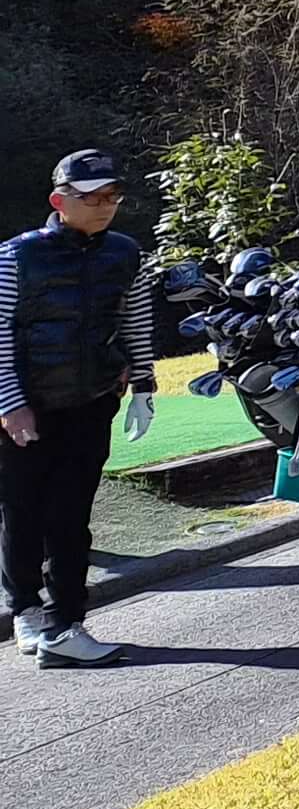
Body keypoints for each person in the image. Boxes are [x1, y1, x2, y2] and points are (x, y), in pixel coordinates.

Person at [0, 152, 154, 667]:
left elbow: (134, 319)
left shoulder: (125, 252)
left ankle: (65, 624)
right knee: (22, 510)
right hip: (27, 408)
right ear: (59, 200)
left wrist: (145, 386)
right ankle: (26, 610)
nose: (105, 206)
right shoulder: (16, 257)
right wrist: (12, 405)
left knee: (70, 515)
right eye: (92, 197)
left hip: (89, 403)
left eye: (112, 197)